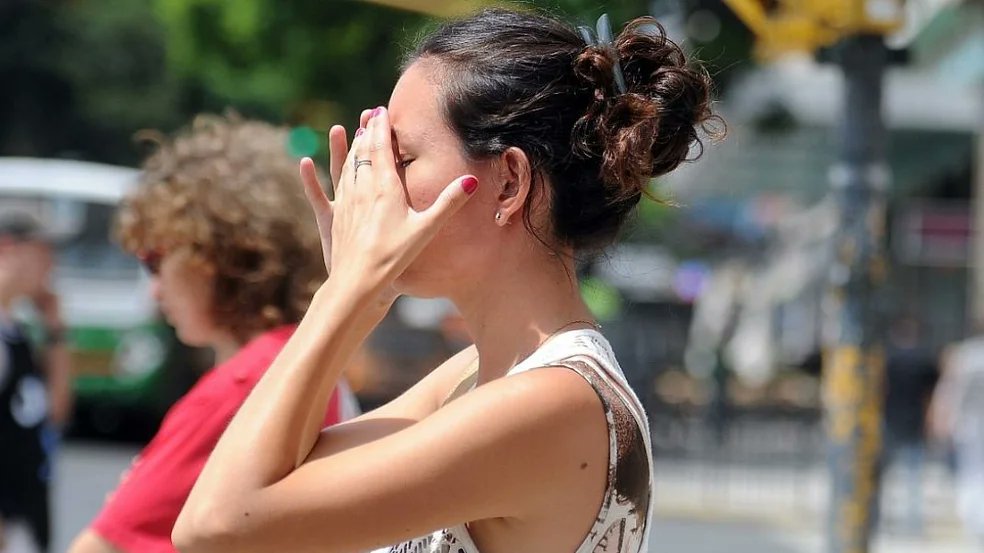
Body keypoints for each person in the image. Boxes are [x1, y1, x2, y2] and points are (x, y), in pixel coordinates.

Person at [174, 9, 717, 553]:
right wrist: (360, 291)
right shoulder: (477, 375)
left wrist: (345, 292)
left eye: (401, 158)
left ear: (509, 182)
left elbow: (217, 526)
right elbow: (276, 477)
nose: (377, 183)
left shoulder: (553, 403)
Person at [68, 114, 360, 553]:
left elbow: (102, 546)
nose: (154, 287)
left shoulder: (246, 384)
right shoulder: (306, 360)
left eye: (154, 259)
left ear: (216, 253)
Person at [0, 213, 73, 553]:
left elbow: (54, 411)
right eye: (43, 252)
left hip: (25, 516)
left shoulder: (16, 330)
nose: (51, 266)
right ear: (6, 249)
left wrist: (55, 329)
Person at [876, 315, 938, 535]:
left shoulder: (888, 360)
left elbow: (879, 392)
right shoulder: (924, 361)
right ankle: (914, 525)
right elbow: (931, 396)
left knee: (882, 475)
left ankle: (878, 519)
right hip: (914, 422)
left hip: (890, 421)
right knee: (914, 478)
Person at [929, 325, 984, 544]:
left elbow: (949, 393)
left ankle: (976, 520)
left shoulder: (965, 356)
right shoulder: (968, 356)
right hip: (969, 425)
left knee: (970, 473)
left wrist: (941, 419)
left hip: (967, 426)